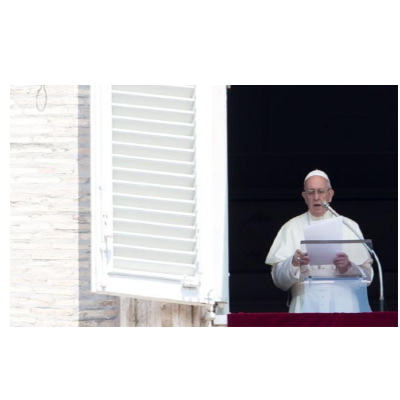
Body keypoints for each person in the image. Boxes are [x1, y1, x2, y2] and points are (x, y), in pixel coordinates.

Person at [265, 170, 374, 313]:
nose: (316, 197)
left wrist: (348, 267)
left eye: (321, 191)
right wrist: (294, 263)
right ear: (304, 196)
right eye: (311, 192)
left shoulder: (349, 226)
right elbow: (279, 281)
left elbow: (368, 277)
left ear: (330, 194)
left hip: (345, 305)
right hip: (305, 306)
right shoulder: (290, 227)